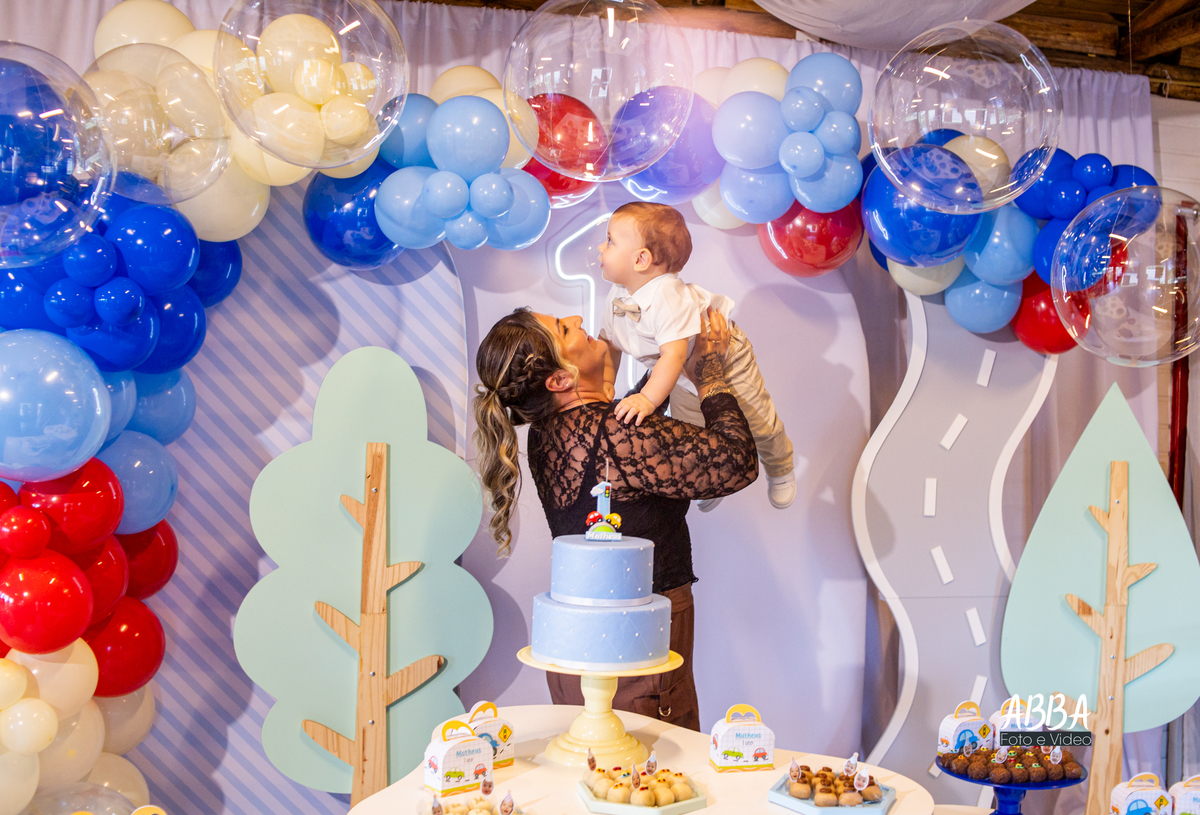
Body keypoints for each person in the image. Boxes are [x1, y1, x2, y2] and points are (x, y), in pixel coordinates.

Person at [473, 306, 758, 730]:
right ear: (560, 380)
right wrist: (711, 377)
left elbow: (628, 422)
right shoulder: (616, 434)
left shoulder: (548, 431)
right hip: (638, 655)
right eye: (564, 329)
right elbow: (737, 461)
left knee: (587, 766)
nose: (577, 319)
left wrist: (671, 360)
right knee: (651, 769)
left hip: (577, 661)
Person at [598, 201, 796, 510]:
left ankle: (780, 466)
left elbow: (673, 356)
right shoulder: (619, 294)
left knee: (757, 420)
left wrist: (647, 399)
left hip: (725, 360)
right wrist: (605, 385)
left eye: (610, 240)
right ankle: (712, 478)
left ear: (641, 259)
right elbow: (608, 343)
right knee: (692, 431)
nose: (601, 247)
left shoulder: (667, 296)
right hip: (677, 375)